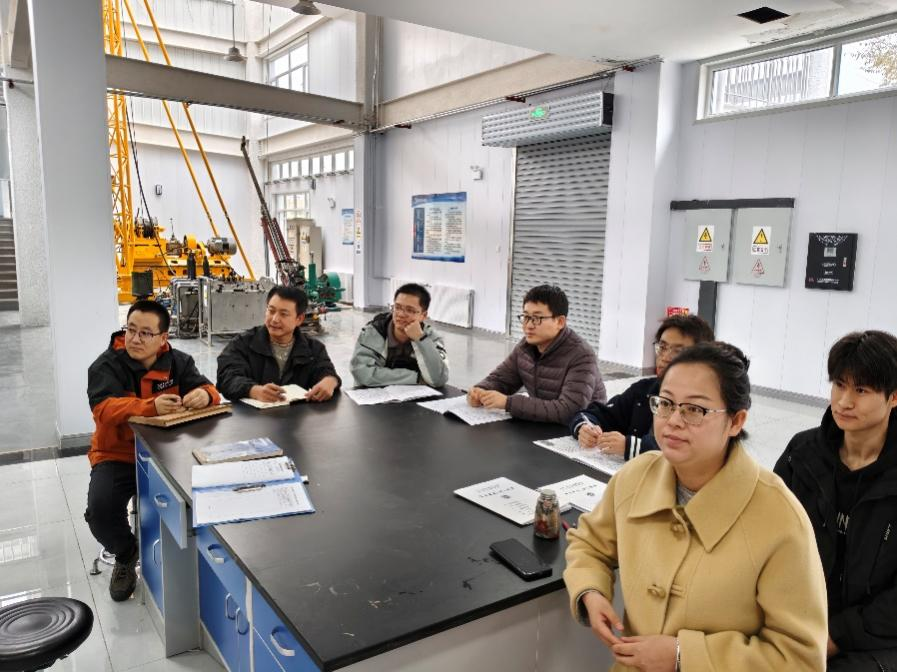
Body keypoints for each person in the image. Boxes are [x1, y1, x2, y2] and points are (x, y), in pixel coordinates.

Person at [565, 342, 827, 671]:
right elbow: (589, 543)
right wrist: (591, 590)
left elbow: (801, 659)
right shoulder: (635, 477)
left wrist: (683, 656)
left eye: (694, 409)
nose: (673, 420)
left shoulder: (780, 519)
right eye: (665, 403)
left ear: (736, 421)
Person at [775, 330, 897, 671]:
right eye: (839, 385)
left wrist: (837, 635)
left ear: (894, 397)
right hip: (797, 619)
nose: (844, 401)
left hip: (878, 636)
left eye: (861, 390)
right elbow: (766, 536)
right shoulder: (802, 454)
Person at [86, 300, 220, 602]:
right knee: (100, 512)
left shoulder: (178, 363)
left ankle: (195, 556)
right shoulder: (106, 366)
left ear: (163, 338)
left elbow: (209, 389)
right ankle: (125, 553)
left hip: (169, 452)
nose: (135, 339)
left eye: (145, 333)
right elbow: (104, 410)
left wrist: (204, 396)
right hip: (118, 455)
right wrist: (150, 407)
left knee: (204, 495)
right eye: (131, 330)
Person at [570, 314, 714, 461]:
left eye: (678, 351)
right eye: (662, 347)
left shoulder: (706, 403)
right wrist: (585, 427)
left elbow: (697, 450)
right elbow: (601, 414)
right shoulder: (644, 390)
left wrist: (632, 447)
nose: (665, 357)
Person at [468, 285, 606, 424]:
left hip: (583, 429)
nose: (528, 325)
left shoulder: (581, 355)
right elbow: (502, 379)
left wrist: (508, 403)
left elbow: (569, 411)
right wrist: (480, 391)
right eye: (526, 317)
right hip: (540, 422)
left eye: (537, 318)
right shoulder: (525, 347)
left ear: (560, 322)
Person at [217, 285, 340, 403]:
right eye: (271, 311)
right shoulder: (242, 343)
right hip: (252, 416)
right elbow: (226, 377)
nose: (274, 319)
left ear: (299, 319)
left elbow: (326, 370)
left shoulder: (313, 349)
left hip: (296, 415)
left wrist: (330, 380)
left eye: (283, 314)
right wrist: (253, 391)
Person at [350, 283, 449, 388]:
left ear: (423, 315)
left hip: (416, 396)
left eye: (410, 310)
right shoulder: (373, 332)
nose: (401, 314)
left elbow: (438, 379)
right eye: (397, 307)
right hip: (372, 395)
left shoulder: (432, 338)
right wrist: (416, 378)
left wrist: (421, 339)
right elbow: (362, 373)